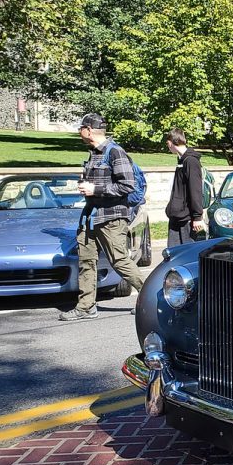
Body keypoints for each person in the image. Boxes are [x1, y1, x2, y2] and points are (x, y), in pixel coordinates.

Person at [59, 113, 144, 321]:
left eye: (81, 128)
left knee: (120, 260)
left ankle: (152, 297)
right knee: (86, 261)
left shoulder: (115, 152)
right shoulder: (94, 153)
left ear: (88, 130)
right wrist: (87, 186)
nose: (79, 132)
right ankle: (86, 306)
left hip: (112, 218)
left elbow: (127, 185)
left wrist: (94, 189)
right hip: (91, 217)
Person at [165, 128, 205, 247]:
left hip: (186, 218)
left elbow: (195, 190)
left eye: (167, 144)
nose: (168, 147)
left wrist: (197, 217)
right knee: (175, 255)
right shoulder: (182, 161)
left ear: (170, 142)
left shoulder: (191, 161)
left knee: (186, 255)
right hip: (178, 216)